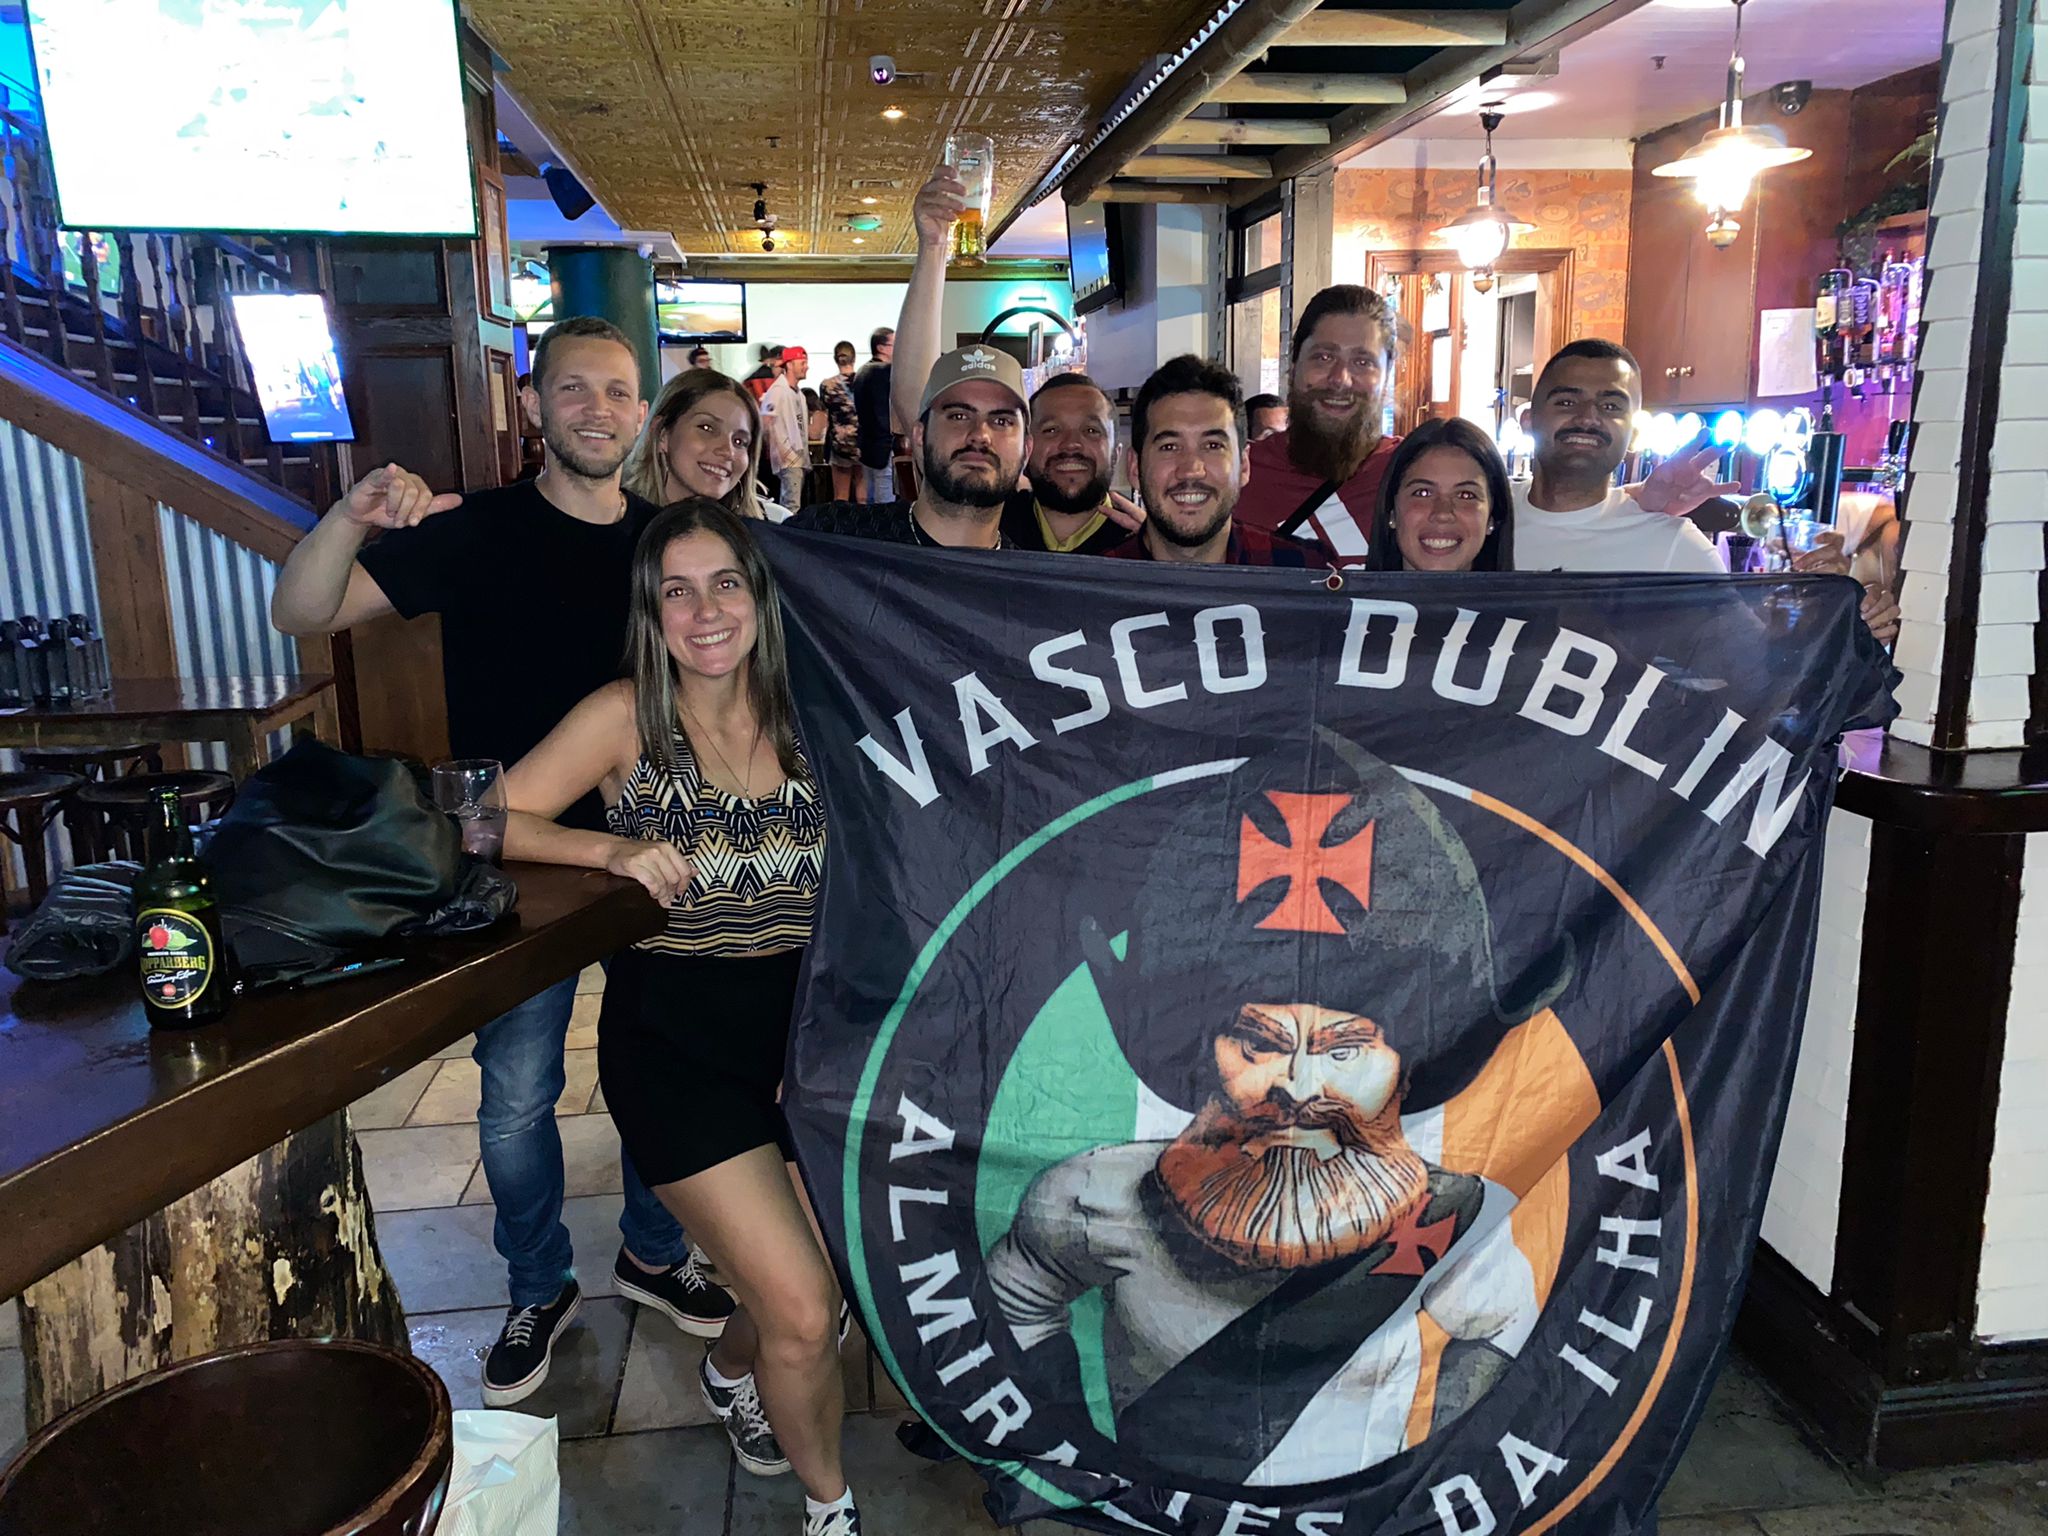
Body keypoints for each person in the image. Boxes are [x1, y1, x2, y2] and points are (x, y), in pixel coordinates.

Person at [268, 316, 719, 1404]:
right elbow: (301, 610)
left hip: (645, 849)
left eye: (616, 392)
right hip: (513, 852)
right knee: (516, 1093)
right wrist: (347, 513)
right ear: (532, 405)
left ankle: (654, 1252)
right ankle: (537, 1282)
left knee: (660, 1068)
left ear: (639, 409)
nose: (596, 411)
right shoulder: (472, 532)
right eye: (574, 391)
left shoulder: (666, 543)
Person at [987, 736, 1560, 1485]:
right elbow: (1018, 1291)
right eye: (1258, 1042)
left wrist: (1426, 1465)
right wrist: (1070, 1439)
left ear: (1408, 1069)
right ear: (1201, 1053)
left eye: (1345, 1049)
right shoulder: (1091, 1198)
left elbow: (1504, 1328)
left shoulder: (1471, 1227)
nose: (1297, 1085)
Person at [498, 501, 857, 1536]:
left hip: (808, 1044)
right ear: (650, 613)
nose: (704, 611)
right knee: (801, 1310)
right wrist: (604, 851)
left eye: (726, 584)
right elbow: (487, 818)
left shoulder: (813, 711)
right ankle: (833, 1512)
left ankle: (733, 1368)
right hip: (676, 1048)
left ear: (762, 595)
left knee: (817, 1291)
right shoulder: (625, 716)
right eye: (676, 590)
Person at [1518, 339, 1901, 642]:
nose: (1588, 417)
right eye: (1567, 401)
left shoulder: (1671, 543)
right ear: (1529, 420)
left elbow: (1761, 668)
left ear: (1633, 434)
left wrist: (1840, 621)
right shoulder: (1479, 515)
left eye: (1611, 405)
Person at [788, 344, 1027, 550]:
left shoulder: (1032, 588)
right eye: (958, 416)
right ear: (919, 436)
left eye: (1002, 421)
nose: (980, 435)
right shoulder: (826, 538)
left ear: (1026, 450)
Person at [1104, 354, 1328, 569]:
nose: (1191, 470)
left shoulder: (1301, 574)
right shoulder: (1092, 593)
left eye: (1213, 446)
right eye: (1169, 447)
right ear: (1134, 468)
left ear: (1245, 465)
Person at [1234, 285, 1402, 560]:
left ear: (1387, 374)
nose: (1340, 379)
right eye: (1324, 357)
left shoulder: (1412, 475)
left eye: (1362, 362)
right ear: (1295, 364)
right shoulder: (1238, 474)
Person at [999, 372, 1141, 555]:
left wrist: (1165, 553)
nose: (1071, 444)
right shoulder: (992, 525)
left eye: (1091, 430)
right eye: (1051, 430)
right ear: (1026, 448)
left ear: (1116, 453)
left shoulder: (1139, 543)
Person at [1361, 416, 1516, 573]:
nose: (1442, 513)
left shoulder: (1534, 598)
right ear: (1392, 511)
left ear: (1492, 517)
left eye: (1465, 495)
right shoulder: (1343, 597)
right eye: (1423, 492)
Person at [622, 366, 771, 520]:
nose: (728, 451)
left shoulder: (760, 533)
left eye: (739, 441)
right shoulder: (620, 528)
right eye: (707, 428)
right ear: (662, 434)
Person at [762, 347, 811, 516]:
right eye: (802, 363)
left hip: (798, 456)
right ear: (790, 365)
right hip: (789, 457)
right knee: (791, 504)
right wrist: (781, 449)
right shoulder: (778, 392)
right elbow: (766, 420)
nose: (806, 367)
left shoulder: (797, 394)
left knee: (794, 502)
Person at [852, 327, 896, 504]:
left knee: (871, 496)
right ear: (881, 347)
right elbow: (883, 414)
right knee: (884, 501)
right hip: (883, 448)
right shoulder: (883, 372)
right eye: (894, 344)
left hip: (867, 446)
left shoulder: (862, 371)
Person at [819, 342, 862, 503]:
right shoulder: (863, 381)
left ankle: (840, 526)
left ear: (835, 359)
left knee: (840, 496)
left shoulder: (827, 386)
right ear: (854, 358)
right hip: (861, 445)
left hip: (839, 446)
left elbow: (826, 413)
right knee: (862, 497)